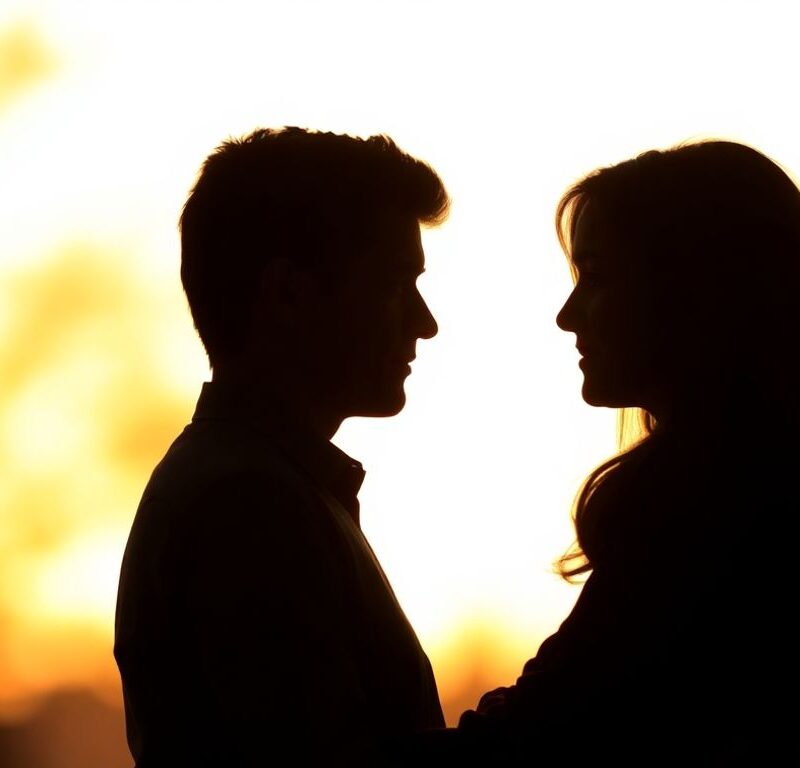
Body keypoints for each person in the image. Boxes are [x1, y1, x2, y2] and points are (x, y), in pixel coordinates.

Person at [394, 139, 799, 765]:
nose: (568, 315)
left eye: (599, 277)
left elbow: (538, 738)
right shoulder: (725, 497)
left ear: (696, 292)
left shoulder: (699, 521)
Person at [113, 126, 450, 766]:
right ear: (289, 291)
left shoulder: (256, 484)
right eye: (395, 283)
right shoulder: (246, 504)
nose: (424, 323)